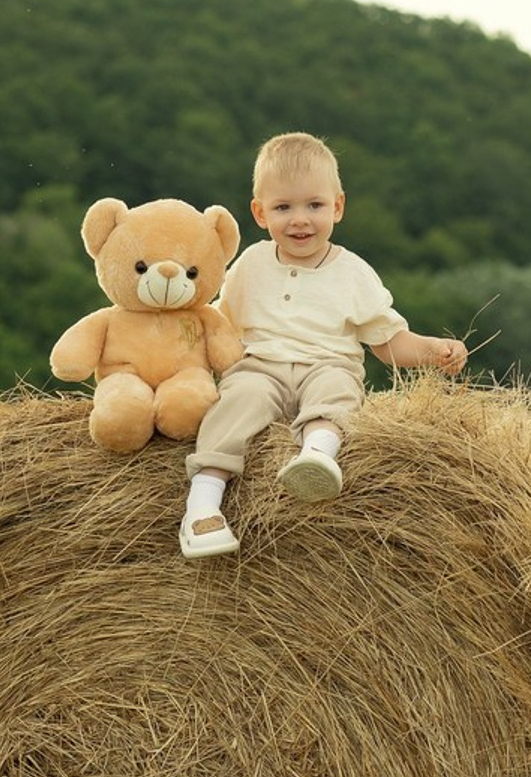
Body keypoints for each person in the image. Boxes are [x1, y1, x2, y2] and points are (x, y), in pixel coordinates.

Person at [179, 131, 468, 558]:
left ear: (338, 206)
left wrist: (431, 350)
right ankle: (202, 505)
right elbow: (220, 326)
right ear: (260, 213)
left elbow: (386, 341)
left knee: (337, 388)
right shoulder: (250, 265)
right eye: (283, 207)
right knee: (237, 399)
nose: (300, 219)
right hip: (262, 366)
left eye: (314, 205)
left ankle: (316, 457)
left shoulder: (353, 273)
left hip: (327, 364)